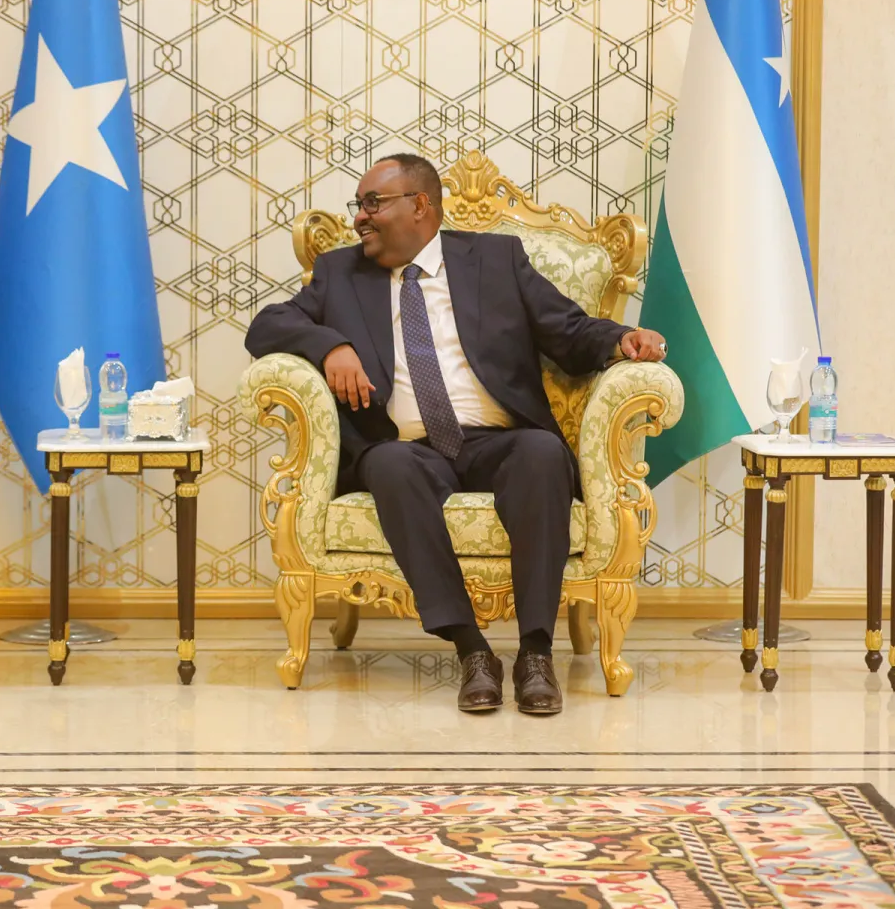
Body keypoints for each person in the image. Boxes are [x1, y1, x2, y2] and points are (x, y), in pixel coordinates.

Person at [245, 153, 667, 716]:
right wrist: (331, 346)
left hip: (497, 440)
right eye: (358, 205)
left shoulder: (496, 259)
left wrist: (621, 341)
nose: (359, 218)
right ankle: (472, 651)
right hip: (406, 447)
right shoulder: (340, 272)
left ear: (420, 205)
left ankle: (535, 654)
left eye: (372, 203)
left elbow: (568, 330)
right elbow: (266, 326)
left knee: (543, 453)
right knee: (389, 465)